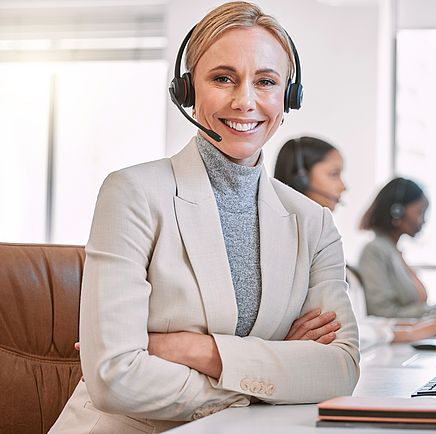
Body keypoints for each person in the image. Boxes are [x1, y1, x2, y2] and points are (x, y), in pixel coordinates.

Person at [50, 3, 359, 433]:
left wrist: (194, 350)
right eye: (222, 78)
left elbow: (339, 369)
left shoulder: (313, 223)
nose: (245, 100)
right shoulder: (133, 193)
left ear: (288, 98)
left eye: (266, 82)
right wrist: (265, 378)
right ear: (188, 91)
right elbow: (112, 378)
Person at [274, 137, 436, 349]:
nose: (343, 187)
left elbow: (351, 325)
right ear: (301, 180)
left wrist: (407, 330)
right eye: (334, 174)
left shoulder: (324, 244)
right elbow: (335, 330)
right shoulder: (286, 250)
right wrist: (407, 332)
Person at [358, 178, 436, 318]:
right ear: (397, 211)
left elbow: (418, 307)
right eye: (419, 212)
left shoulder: (394, 252)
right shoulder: (374, 251)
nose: (423, 220)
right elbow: (382, 313)